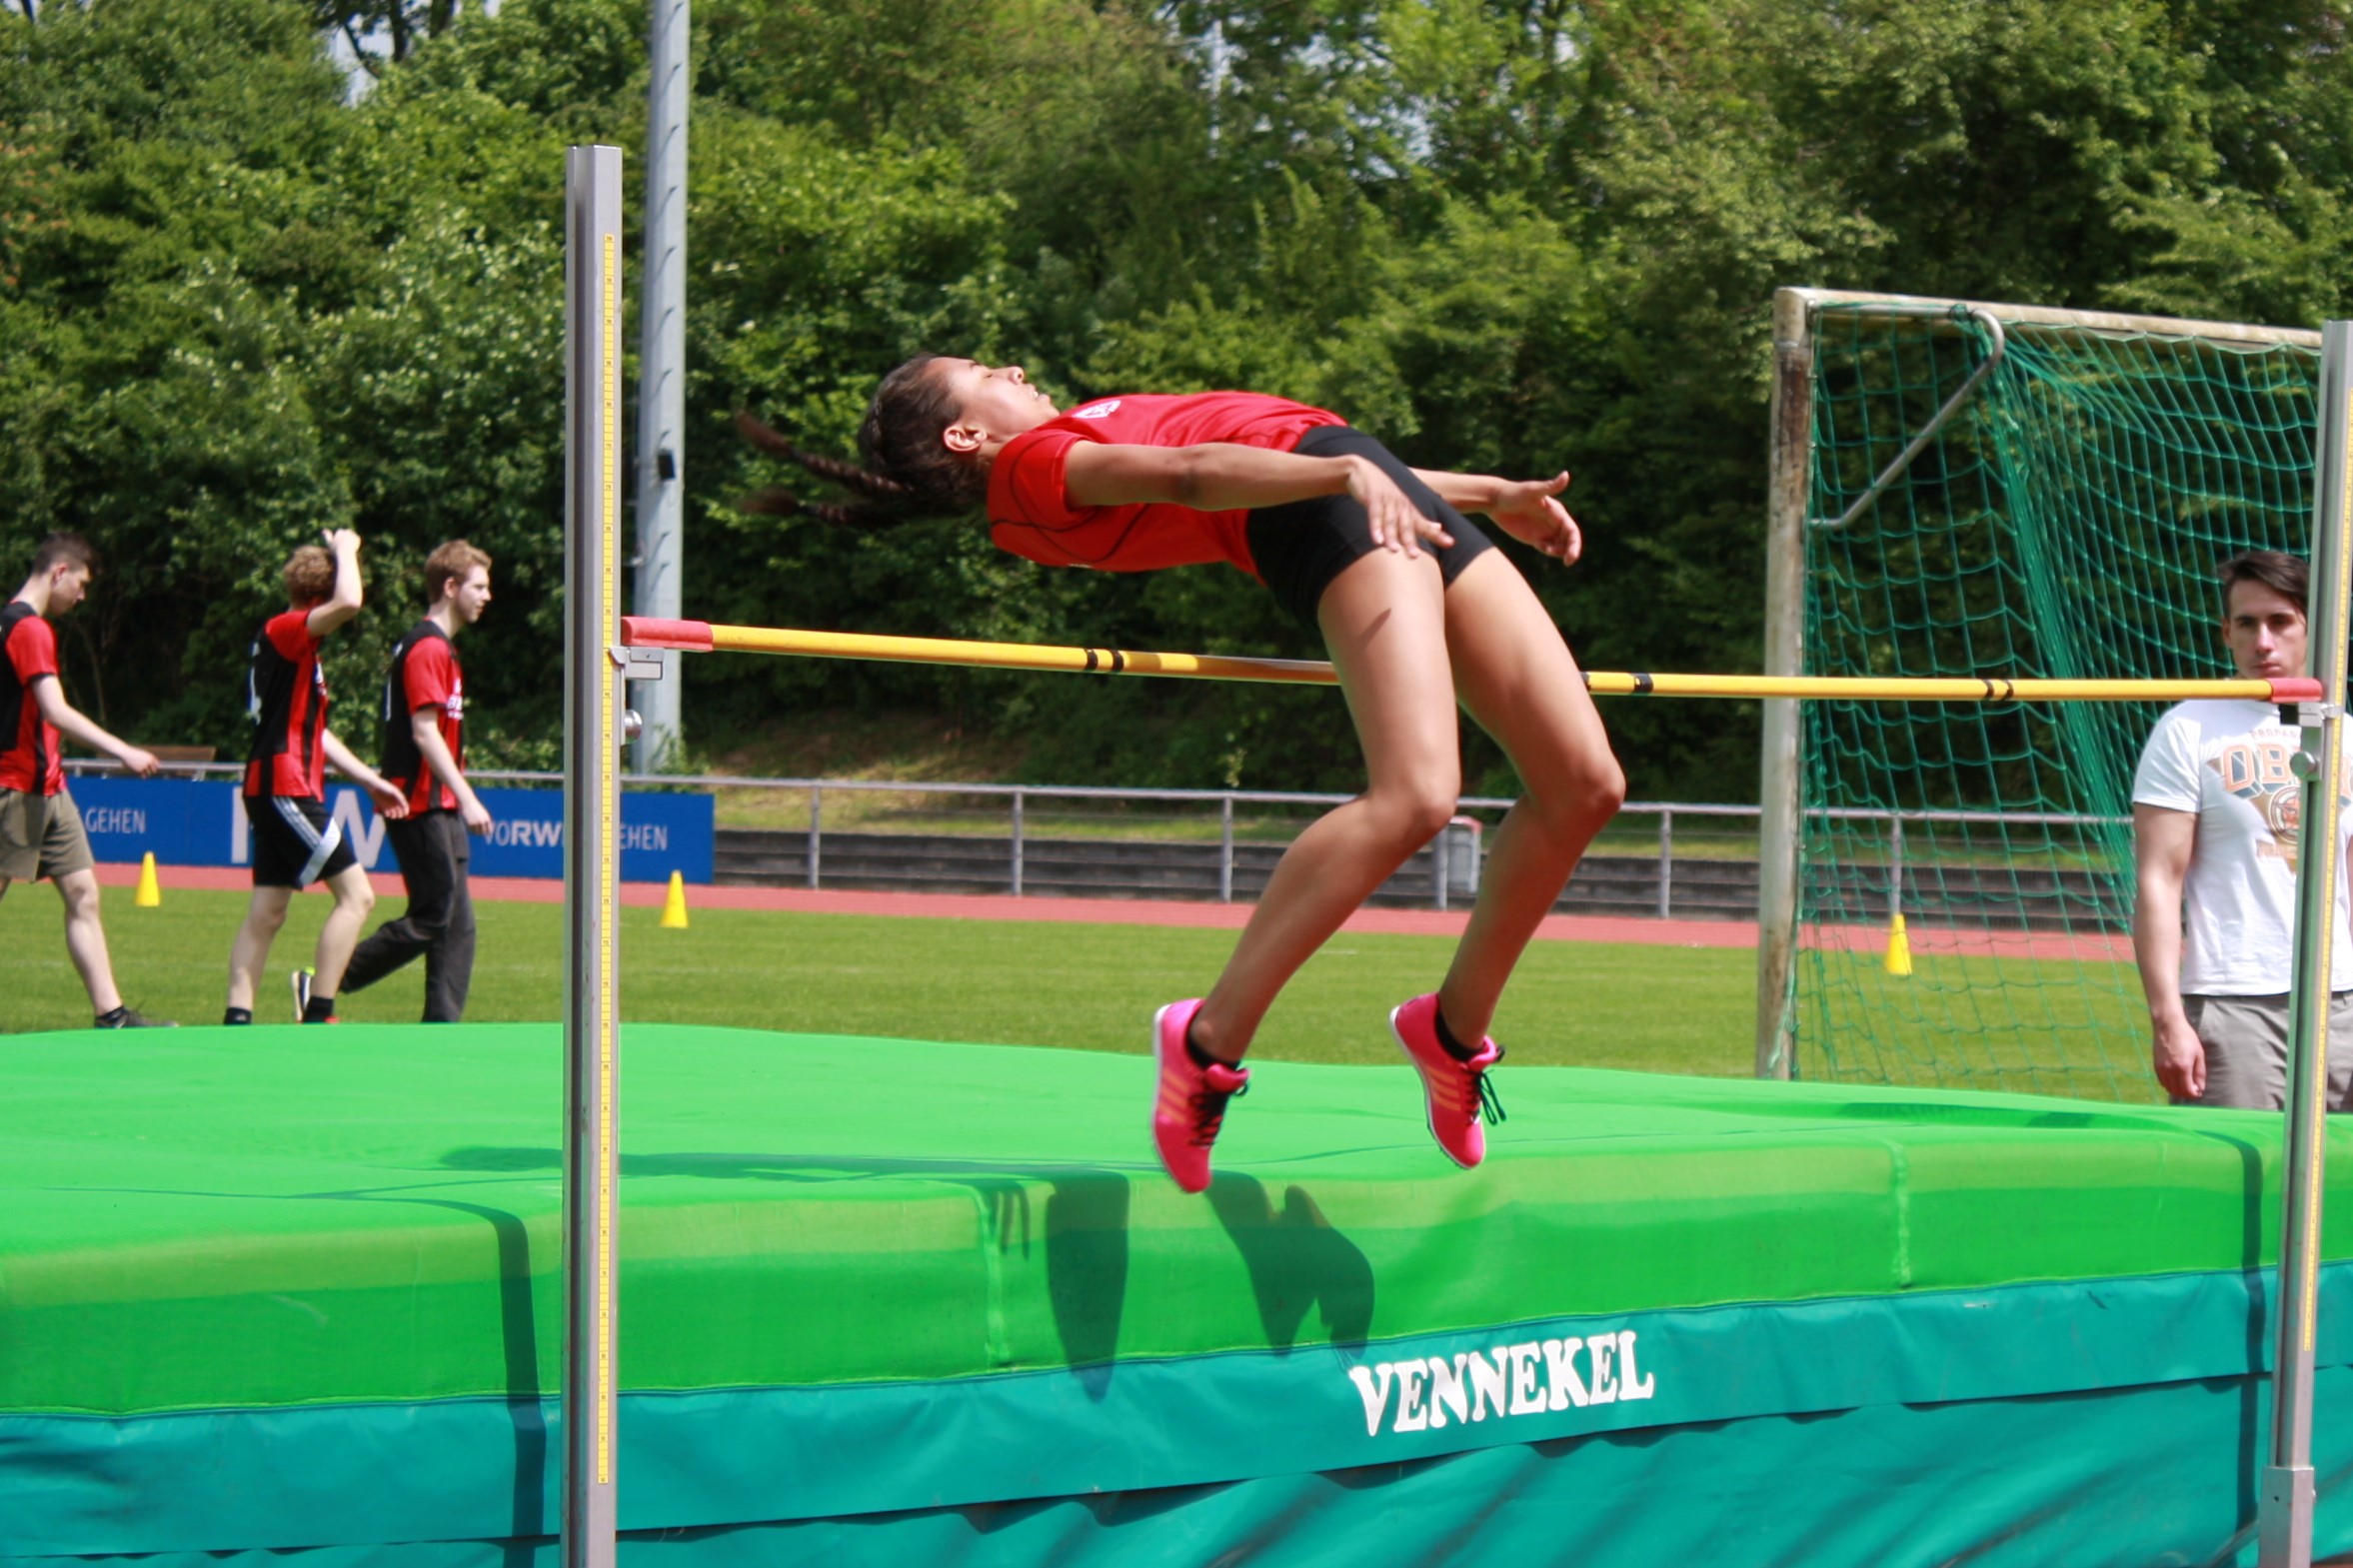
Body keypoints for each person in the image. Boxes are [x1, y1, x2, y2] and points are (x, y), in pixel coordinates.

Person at [741, 358, 1625, 1191]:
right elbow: (1195, 474)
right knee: (1417, 794)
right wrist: (1342, 475)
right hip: (1327, 505)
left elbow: (1321, 457)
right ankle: (1206, 1041)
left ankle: (1449, 1030)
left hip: (1361, 481)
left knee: (1583, 783)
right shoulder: (1032, 465)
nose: (1010, 369)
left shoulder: (1062, 448)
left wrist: (1490, 494)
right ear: (966, 437)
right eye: (981, 375)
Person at [2132, 549, 2353, 1109]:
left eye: (2281, 622)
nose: (2264, 642)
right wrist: (2167, 1019)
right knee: (2241, 1165)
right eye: (2248, 624)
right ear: (2226, 632)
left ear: (2315, 629)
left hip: (2342, 1002)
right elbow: (2159, 881)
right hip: (2234, 1003)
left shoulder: (2345, 733)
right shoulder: (2187, 728)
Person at [223, 531, 408, 1026]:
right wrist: (347, 549)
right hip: (286, 788)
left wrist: (368, 779)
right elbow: (349, 602)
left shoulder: (297, 652)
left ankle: (237, 1017)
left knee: (268, 911)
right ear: (319, 596)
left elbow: (316, 734)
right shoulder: (287, 630)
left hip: (272, 786)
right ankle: (319, 1009)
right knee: (358, 896)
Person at [0, 534, 173, 1027]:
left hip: (49, 788)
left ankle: (111, 1014)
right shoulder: (29, 628)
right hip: (16, 788)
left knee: (83, 893)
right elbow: (54, 710)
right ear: (59, 573)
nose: (81, 596)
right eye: (81, 584)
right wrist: (123, 750)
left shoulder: (9, 622)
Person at [340, 541, 494, 1022]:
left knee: (458, 925)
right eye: (478, 586)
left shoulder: (440, 648)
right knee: (432, 915)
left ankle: (442, 1025)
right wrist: (468, 798)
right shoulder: (427, 647)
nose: (487, 596)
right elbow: (424, 732)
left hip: (438, 802)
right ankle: (327, 979)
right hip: (419, 801)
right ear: (450, 587)